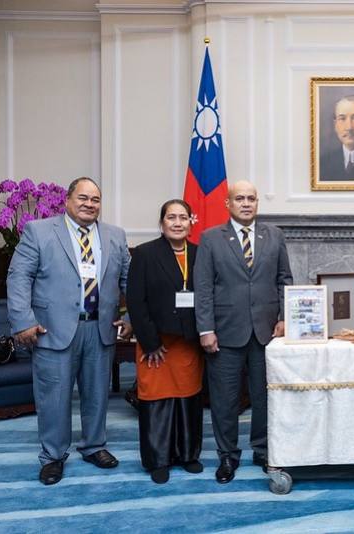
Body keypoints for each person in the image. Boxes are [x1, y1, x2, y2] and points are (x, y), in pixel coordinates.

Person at [7, 177, 132, 485]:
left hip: (100, 328)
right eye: (83, 198)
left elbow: (131, 279)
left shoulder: (115, 235)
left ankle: (94, 446)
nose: (90, 204)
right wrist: (23, 321)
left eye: (96, 199)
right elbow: (18, 276)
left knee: (97, 394)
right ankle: (52, 456)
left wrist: (132, 318)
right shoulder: (39, 231)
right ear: (67, 200)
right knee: (54, 397)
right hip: (54, 329)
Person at [193, 180, 293, 484]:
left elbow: (284, 279)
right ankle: (227, 455)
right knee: (225, 399)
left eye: (251, 198)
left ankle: (262, 450)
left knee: (265, 396)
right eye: (239, 199)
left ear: (257, 202)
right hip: (224, 332)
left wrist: (286, 317)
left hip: (266, 333)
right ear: (228, 204)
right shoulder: (211, 239)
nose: (246, 203)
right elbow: (204, 287)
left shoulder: (274, 235)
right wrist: (206, 329)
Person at [126, 199, 205, 484]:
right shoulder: (145, 254)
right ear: (162, 223)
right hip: (156, 344)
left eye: (183, 217)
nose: (177, 222)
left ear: (190, 223)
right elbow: (136, 300)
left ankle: (188, 454)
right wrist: (149, 342)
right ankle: (157, 460)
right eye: (171, 217)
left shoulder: (200, 253)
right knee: (156, 401)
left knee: (188, 399)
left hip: (188, 342)